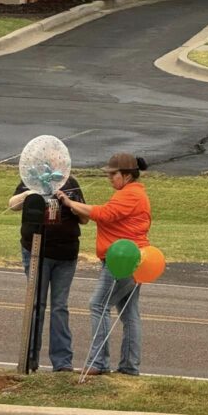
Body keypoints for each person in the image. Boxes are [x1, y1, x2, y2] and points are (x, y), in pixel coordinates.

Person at [58, 153, 150, 376]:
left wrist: (71, 203)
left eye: (113, 174)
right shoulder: (131, 193)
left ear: (127, 175)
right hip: (134, 259)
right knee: (129, 314)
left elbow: (104, 214)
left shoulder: (131, 195)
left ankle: (98, 363)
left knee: (98, 305)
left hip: (121, 261)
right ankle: (129, 367)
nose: (109, 178)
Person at [8, 175, 86, 371]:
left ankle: (62, 363)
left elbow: (84, 218)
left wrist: (69, 202)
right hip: (36, 252)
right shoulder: (31, 180)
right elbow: (13, 204)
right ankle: (30, 358)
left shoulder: (71, 184)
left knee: (60, 307)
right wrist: (29, 193)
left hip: (66, 255)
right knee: (37, 304)